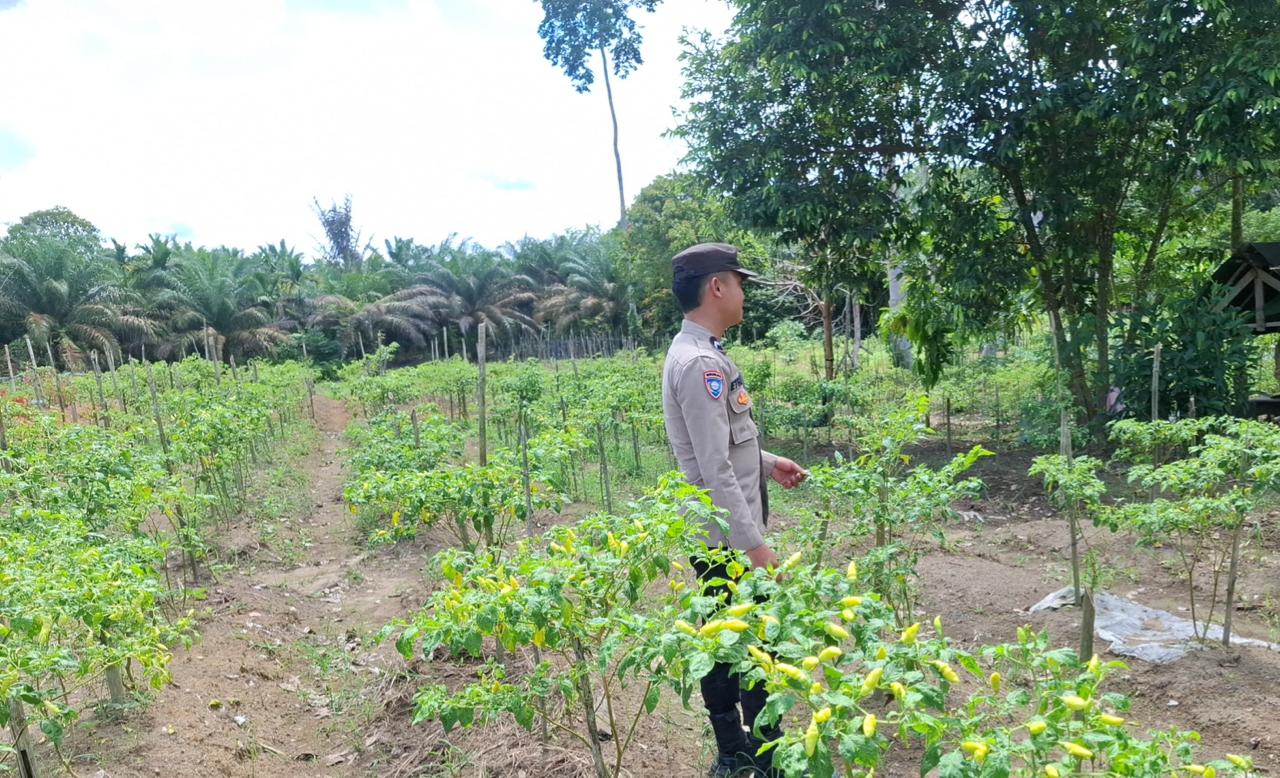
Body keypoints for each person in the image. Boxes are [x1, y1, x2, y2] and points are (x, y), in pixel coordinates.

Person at [661, 242, 808, 777]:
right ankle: (750, 753)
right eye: (739, 282)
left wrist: (768, 463)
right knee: (744, 643)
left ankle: (746, 750)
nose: (744, 293)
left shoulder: (703, 353)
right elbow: (714, 467)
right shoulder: (701, 363)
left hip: (726, 533)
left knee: (735, 639)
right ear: (716, 287)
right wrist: (754, 545)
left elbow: (726, 447)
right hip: (728, 540)